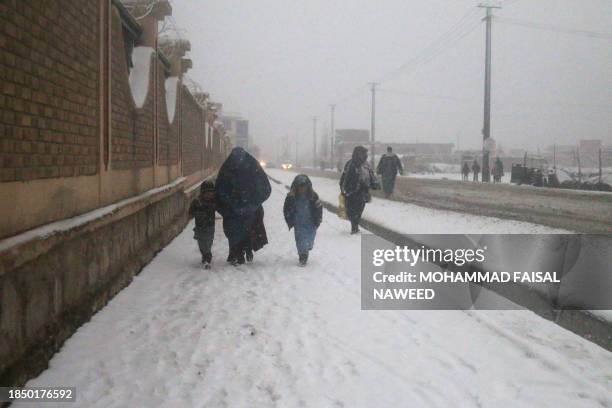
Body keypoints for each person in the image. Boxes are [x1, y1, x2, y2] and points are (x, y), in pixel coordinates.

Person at [215, 147, 271, 265]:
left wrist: (253, 203)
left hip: (248, 208)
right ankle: (237, 253)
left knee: (246, 231)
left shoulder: (251, 168)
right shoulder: (229, 169)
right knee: (234, 231)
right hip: (234, 209)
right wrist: (229, 202)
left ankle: (245, 249)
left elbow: (264, 188)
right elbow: (220, 189)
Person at [283, 174, 323, 266]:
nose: (302, 189)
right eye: (299, 187)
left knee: (309, 240)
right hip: (299, 222)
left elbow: (319, 208)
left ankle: (306, 249)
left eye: (304, 187)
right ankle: (303, 256)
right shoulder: (291, 197)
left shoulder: (313, 197)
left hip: (311, 222)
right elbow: (286, 209)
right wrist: (290, 219)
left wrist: (318, 219)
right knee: (300, 239)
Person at [340, 146, 379, 234]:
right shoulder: (350, 164)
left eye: (365, 154)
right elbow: (344, 178)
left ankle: (355, 227)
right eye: (363, 154)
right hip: (351, 192)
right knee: (351, 211)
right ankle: (354, 226)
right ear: (357, 154)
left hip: (362, 192)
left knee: (358, 211)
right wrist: (343, 190)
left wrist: (374, 184)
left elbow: (372, 176)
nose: (365, 156)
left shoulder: (366, 165)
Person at [188, 180, 216, 269]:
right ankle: (205, 254)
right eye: (206, 193)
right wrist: (195, 212)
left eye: (211, 193)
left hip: (210, 226)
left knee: (208, 242)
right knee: (201, 244)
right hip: (199, 227)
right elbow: (190, 212)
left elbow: (220, 207)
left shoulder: (214, 201)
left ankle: (207, 258)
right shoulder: (197, 202)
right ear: (202, 193)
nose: (209, 195)